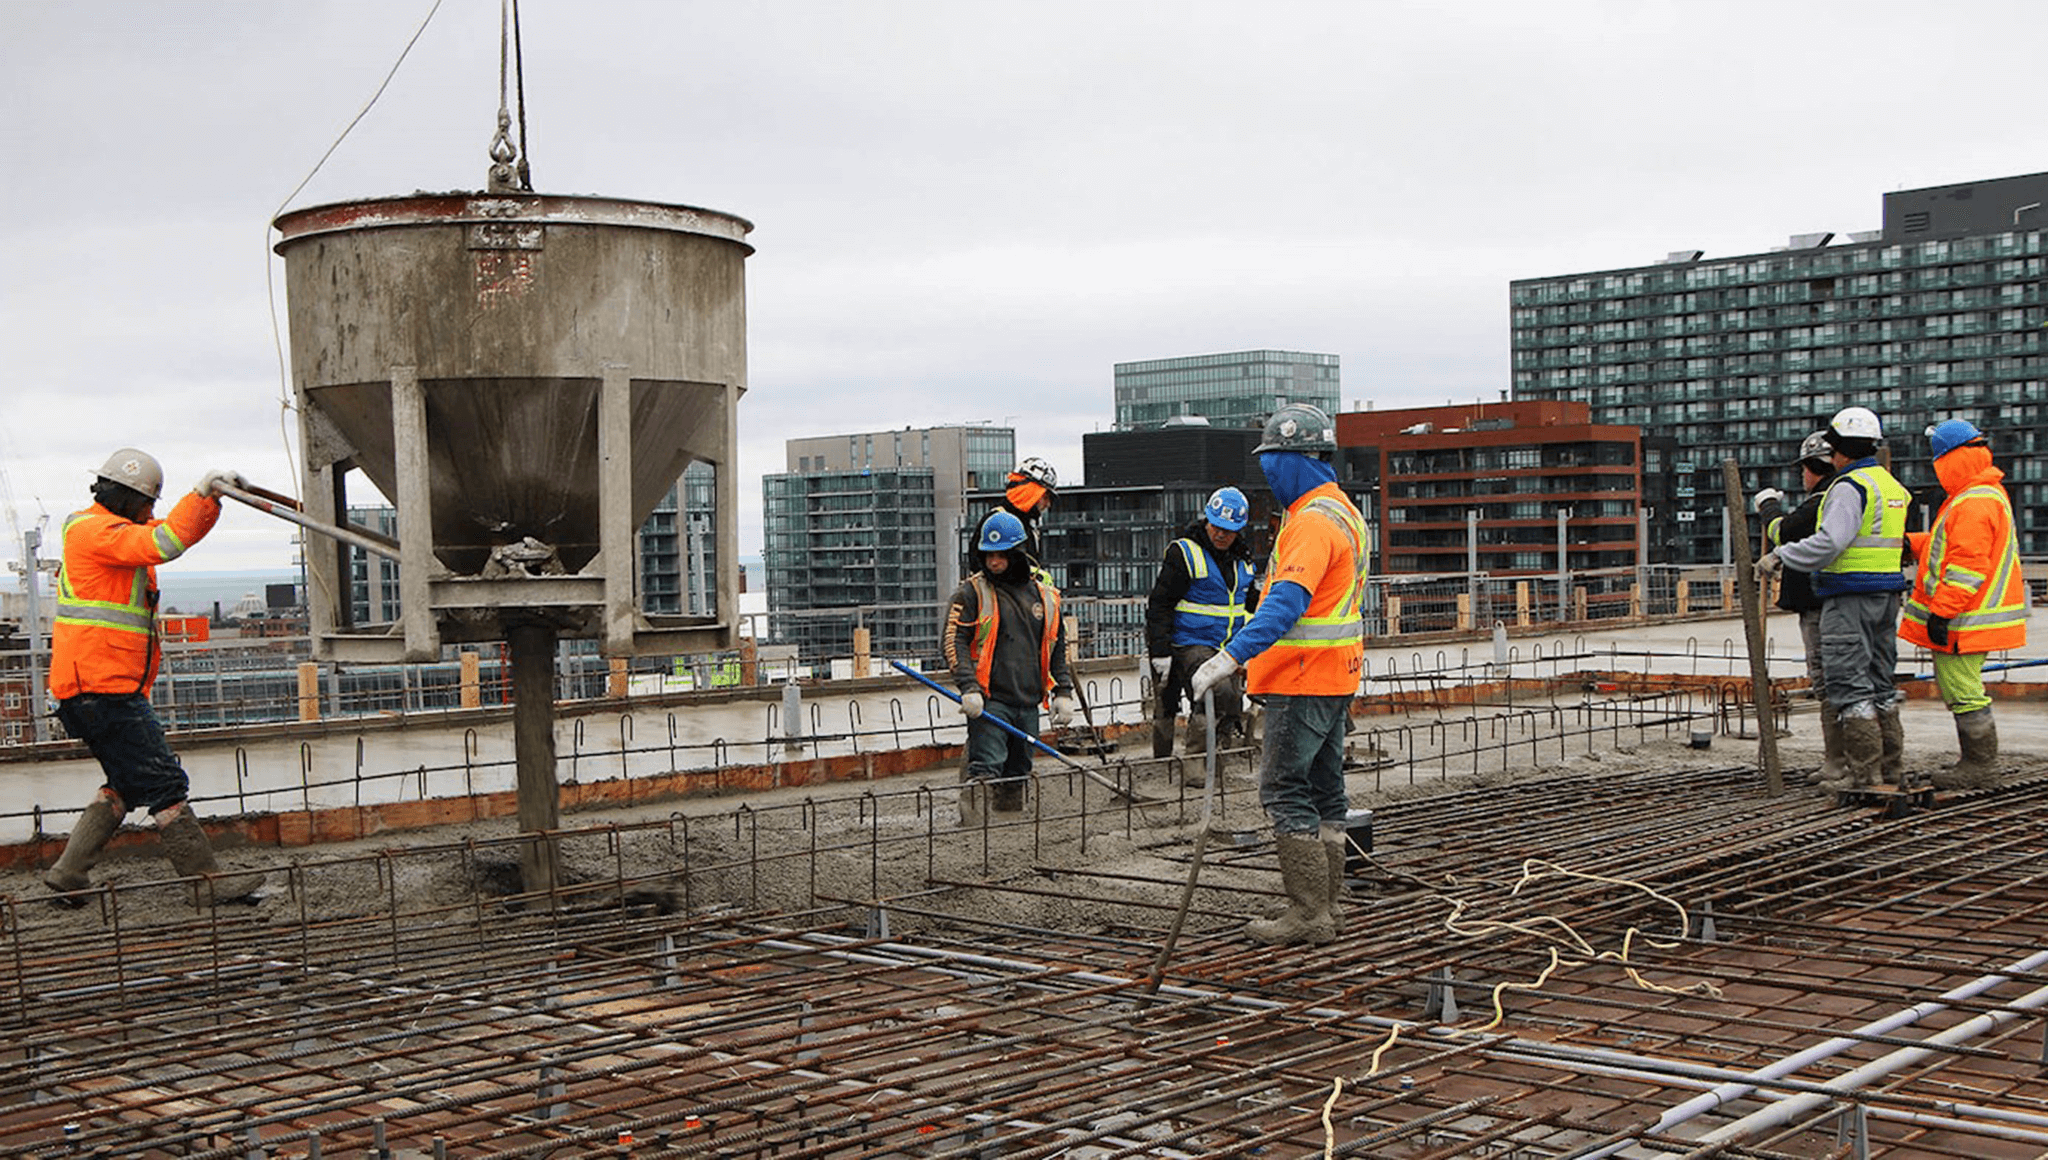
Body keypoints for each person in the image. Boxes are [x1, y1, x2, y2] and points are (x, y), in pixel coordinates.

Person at [41, 449, 267, 904]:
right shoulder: (95, 532)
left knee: (125, 783)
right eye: (147, 502)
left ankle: (68, 875)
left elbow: (161, 534)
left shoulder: (107, 530)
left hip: (91, 691)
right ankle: (204, 882)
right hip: (103, 691)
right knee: (165, 783)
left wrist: (211, 502)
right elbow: (165, 541)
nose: (150, 511)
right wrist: (203, 494)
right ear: (126, 498)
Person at [1191, 404, 1366, 945]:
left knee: (1285, 789)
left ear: (1294, 461)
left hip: (1301, 678)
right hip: (1335, 677)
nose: (1269, 478)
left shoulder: (1312, 522)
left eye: (1272, 466)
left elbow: (1285, 604)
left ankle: (1308, 913)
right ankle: (1327, 907)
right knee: (1326, 791)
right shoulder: (1345, 513)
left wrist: (1229, 657)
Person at [1756, 406, 1910, 790]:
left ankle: (1864, 775)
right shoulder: (1890, 485)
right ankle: (1891, 769)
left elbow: (1830, 542)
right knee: (1881, 684)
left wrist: (1781, 556)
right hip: (1886, 596)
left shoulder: (1849, 486)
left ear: (1839, 448)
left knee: (1848, 684)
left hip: (1849, 596)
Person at [1898, 419, 2027, 789]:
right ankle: (1977, 762)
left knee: (1963, 690)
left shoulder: (1972, 501)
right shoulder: (1982, 494)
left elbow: (1966, 565)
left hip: (1965, 619)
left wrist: (1942, 611)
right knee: (1963, 688)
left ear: (1948, 460)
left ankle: (1979, 765)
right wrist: (1914, 543)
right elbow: (1950, 543)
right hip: (1973, 616)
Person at [944, 510, 1075, 824]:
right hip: (991, 699)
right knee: (986, 765)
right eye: (988, 556)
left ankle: (1009, 823)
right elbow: (953, 641)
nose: (993, 562)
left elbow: (1057, 646)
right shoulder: (972, 592)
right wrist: (968, 687)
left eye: (1000, 555)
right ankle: (974, 827)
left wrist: (1063, 691)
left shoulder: (1045, 597)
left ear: (1017, 553)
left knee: (1019, 770)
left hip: (1028, 700)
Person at [1753, 431, 1845, 784]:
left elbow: (1786, 531)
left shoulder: (1825, 498)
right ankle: (1849, 760)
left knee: (1828, 679)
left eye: (1804, 469)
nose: (1802, 477)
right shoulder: (1843, 495)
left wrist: (1768, 508)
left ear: (1814, 468)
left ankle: (1838, 761)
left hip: (1820, 602)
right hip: (1835, 599)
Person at [1145, 486, 1258, 771]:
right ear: (1207, 520)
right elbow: (1160, 604)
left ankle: (1215, 764)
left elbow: (1250, 601)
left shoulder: (1243, 562)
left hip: (1227, 646)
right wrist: (1160, 651)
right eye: (1216, 527)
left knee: (1231, 700)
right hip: (1188, 642)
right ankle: (1188, 766)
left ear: (1239, 531)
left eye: (1228, 531)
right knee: (1211, 691)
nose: (1221, 534)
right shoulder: (1185, 553)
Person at [972, 457, 1058, 576]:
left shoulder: (1030, 526)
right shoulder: (996, 520)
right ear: (1031, 492)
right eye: (1045, 497)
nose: (1048, 504)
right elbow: (978, 564)